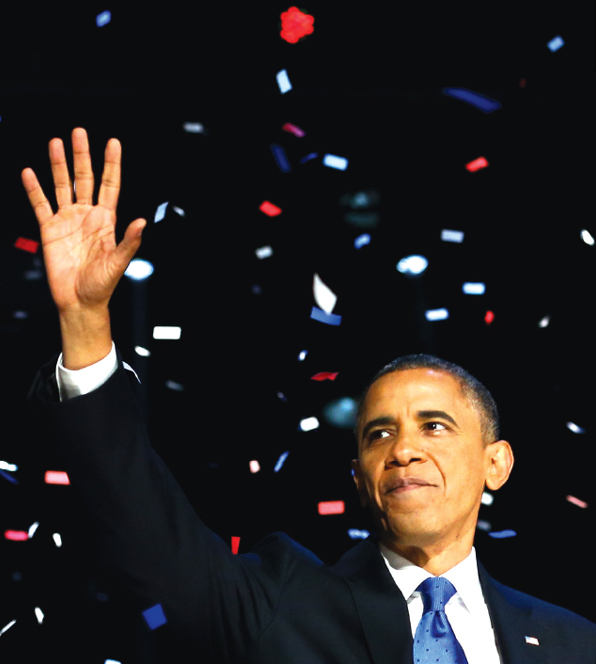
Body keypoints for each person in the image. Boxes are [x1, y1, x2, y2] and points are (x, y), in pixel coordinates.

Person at [25, 129, 596, 663]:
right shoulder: (281, 601)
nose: (403, 451)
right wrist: (83, 321)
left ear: (496, 463)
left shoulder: (572, 642)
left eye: (434, 426)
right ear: (358, 476)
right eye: (379, 433)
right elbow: (142, 522)